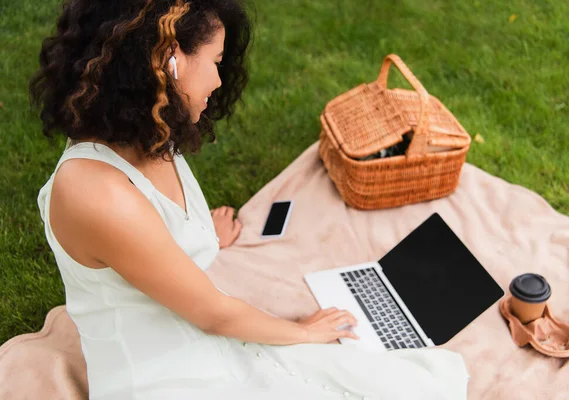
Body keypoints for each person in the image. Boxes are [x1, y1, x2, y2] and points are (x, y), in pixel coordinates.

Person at [30, 0, 469, 398]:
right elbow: (214, 315)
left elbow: (151, 243)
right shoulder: (94, 192)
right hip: (158, 377)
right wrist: (302, 333)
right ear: (169, 62)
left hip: (203, 337)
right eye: (216, 62)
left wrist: (197, 239)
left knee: (406, 383)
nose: (220, 80)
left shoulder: (150, 131)